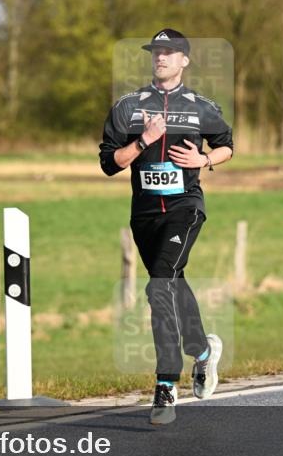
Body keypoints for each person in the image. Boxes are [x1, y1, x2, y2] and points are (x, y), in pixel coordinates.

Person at [99, 28, 234, 425]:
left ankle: (164, 385)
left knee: (159, 284)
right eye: (156, 51)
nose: (161, 57)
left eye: (169, 52)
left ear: (184, 61)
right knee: (172, 280)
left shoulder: (201, 107)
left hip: (184, 208)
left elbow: (228, 145)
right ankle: (205, 352)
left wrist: (205, 161)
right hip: (144, 216)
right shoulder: (128, 107)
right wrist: (143, 141)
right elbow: (110, 163)